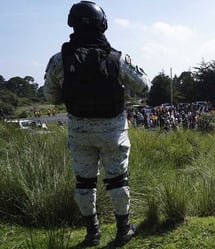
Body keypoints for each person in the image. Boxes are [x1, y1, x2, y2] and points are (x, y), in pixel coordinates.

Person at [44, 1, 150, 246]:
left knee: (84, 182)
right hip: (113, 129)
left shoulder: (59, 60)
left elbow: (50, 96)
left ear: (72, 23)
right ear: (103, 24)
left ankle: (92, 233)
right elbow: (144, 85)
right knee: (117, 180)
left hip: (79, 130)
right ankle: (123, 230)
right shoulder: (117, 58)